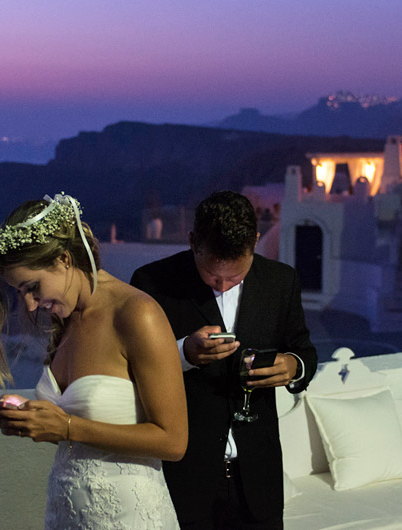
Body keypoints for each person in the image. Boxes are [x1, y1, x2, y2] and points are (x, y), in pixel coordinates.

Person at [0, 193, 187, 529]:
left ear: (63, 260)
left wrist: (66, 428)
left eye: (33, 287)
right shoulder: (66, 320)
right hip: (66, 515)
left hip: (128, 518)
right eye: (19, 292)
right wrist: (31, 415)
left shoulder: (136, 314)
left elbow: (174, 442)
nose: (30, 305)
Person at [131, 191, 318, 529]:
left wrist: (292, 366)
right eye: (212, 275)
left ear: (256, 242)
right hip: (185, 479)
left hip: (259, 481)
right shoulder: (151, 283)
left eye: (236, 277)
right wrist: (183, 353)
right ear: (192, 242)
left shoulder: (281, 281)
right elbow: (133, 368)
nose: (223, 285)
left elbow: (303, 350)